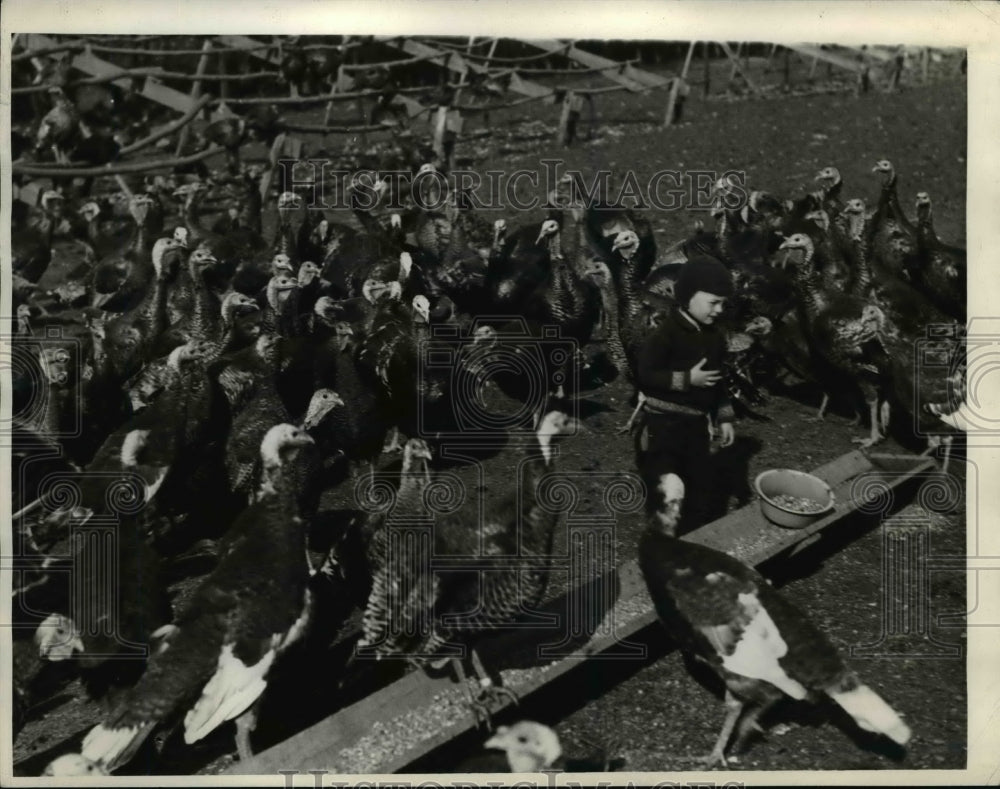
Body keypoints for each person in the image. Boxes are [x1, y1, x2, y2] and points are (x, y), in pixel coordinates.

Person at [634, 255, 736, 534]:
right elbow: (646, 375)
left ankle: (689, 536)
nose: (719, 310)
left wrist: (725, 417)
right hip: (662, 425)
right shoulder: (665, 335)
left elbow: (717, 382)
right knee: (666, 486)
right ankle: (660, 538)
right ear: (688, 297)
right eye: (713, 302)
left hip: (695, 426)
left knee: (697, 483)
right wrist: (687, 379)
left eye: (723, 304)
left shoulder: (714, 338)